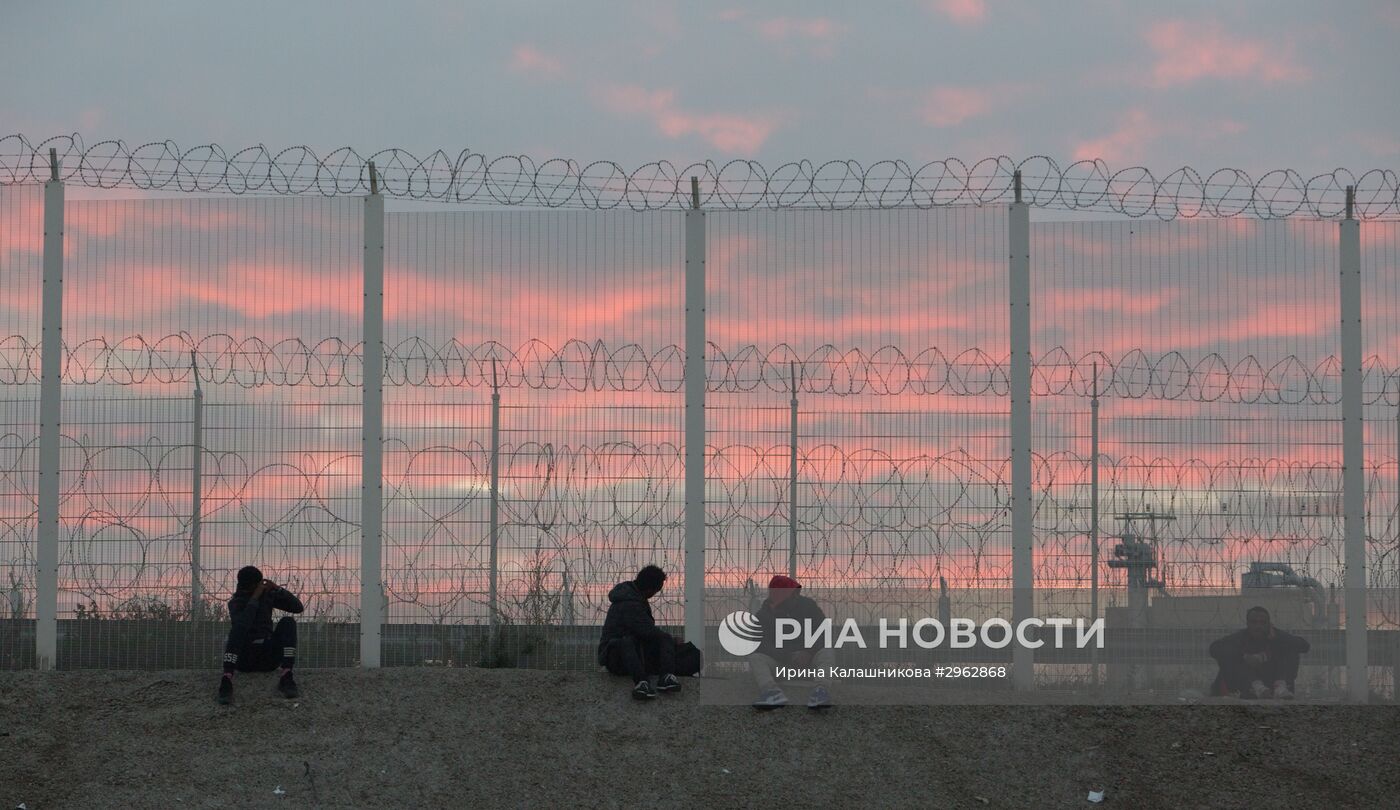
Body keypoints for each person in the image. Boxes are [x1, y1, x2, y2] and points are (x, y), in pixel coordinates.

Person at [217, 565, 304, 704]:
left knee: (288, 622)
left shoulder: (267, 597)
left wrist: (277, 588)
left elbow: (298, 608)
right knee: (236, 629)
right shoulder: (236, 602)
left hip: (267, 657)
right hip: (244, 659)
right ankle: (226, 680)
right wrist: (254, 598)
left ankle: (286, 676)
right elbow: (243, 624)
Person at [598, 565, 681, 700]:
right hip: (615, 657)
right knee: (630, 641)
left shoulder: (634, 597)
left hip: (630, 655)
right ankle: (643, 682)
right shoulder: (630, 603)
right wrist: (671, 640)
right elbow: (646, 630)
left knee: (650, 640)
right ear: (650, 589)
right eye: (656, 590)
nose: (655, 594)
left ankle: (664, 677)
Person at [751, 575, 834, 709]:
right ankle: (771, 692)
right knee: (756, 658)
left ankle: (821, 691)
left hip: (809, 663)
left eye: (795, 593)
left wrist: (808, 652)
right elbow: (760, 645)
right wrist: (788, 656)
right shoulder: (763, 615)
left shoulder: (809, 606)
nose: (795, 596)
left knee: (826, 652)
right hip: (782, 664)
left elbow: (824, 632)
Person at [1209, 606, 1310, 699]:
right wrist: (1244, 656)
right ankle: (1256, 688)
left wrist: (1279, 637)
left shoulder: (1276, 636)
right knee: (1229, 652)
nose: (1258, 626)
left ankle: (1281, 687)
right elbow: (1214, 649)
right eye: (1254, 622)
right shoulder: (1241, 637)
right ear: (1247, 624)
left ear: (1269, 624)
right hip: (1247, 685)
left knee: (1290, 646)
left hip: (1274, 683)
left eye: (1262, 623)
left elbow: (1305, 646)